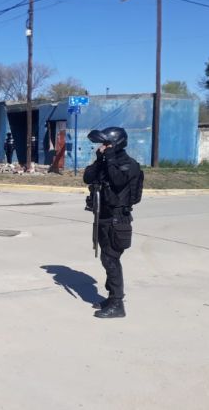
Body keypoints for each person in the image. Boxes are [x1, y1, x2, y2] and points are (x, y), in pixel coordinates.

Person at [83, 127, 142, 319]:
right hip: (104, 217)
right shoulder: (107, 162)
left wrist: (108, 157)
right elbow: (88, 177)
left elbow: (117, 181)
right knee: (107, 259)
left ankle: (118, 304)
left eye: (107, 144)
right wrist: (100, 160)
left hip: (118, 219)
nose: (103, 147)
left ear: (116, 144)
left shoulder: (128, 165)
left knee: (110, 259)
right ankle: (112, 297)